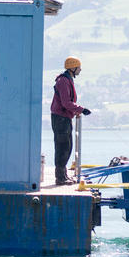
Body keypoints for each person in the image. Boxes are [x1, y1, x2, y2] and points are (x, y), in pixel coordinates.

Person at [50, 56, 90, 185]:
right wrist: (81, 109)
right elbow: (66, 103)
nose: (80, 69)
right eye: (79, 67)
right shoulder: (63, 81)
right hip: (60, 118)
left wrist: (77, 110)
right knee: (62, 146)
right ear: (73, 67)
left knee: (67, 146)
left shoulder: (67, 80)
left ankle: (63, 175)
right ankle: (60, 178)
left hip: (64, 118)